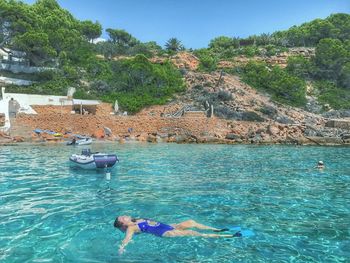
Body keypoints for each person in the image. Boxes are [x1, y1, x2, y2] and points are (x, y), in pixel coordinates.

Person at [114, 216, 241, 254]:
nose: (124, 216)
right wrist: (121, 248)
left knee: (191, 222)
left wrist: (173, 224)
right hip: (165, 232)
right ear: (122, 224)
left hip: (169, 226)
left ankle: (217, 230)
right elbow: (127, 239)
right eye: (122, 218)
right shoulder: (130, 228)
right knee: (193, 233)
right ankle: (229, 237)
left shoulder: (137, 219)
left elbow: (153, 223)